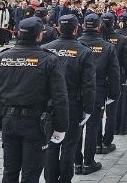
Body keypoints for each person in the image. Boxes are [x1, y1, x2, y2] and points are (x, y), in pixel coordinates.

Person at [0, 17, 69, 183]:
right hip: (35, 123)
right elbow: (60, 97)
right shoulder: (48, 59)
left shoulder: (1, 58)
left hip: (8, 121)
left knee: (10, 171)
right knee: (31, 174)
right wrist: (61, 127)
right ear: (39, 36)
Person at [42, 14, 96, 183]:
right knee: (70, 145)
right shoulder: (84, 51)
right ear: (76, 29)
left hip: (49, 104)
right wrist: (88, 109)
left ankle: (50, 178)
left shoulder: (45, 48)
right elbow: (88, 85)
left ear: (58, 28)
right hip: (73, 103)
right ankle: (65, 179)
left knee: (51, 144)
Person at [74, 14, 120, 175]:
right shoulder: (107, 46)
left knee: (77, 126)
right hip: (97, 91)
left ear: (83, 25)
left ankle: (77, 162)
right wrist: (113, 95)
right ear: (99, 26)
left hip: (75, 93)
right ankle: (88, 161)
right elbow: (114, 74)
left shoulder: (76, 44)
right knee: (93, 127)